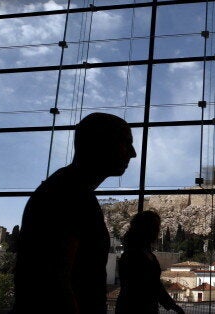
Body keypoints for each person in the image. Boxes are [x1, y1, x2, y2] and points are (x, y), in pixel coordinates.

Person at [13, 113, 136, 314]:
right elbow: (54, 281)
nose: (133, 153)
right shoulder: (67, 194)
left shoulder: (71, 190)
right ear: (101, 142)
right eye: (126, 142)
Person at [115, 211, 185, 314]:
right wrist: (171, 305)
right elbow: (147, 286)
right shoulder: (132, 255)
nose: (157, 231)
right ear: (147, 229)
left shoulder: (148, 254)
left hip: (148, 307)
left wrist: (172, 305)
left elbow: (155, 284)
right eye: (155, 227)